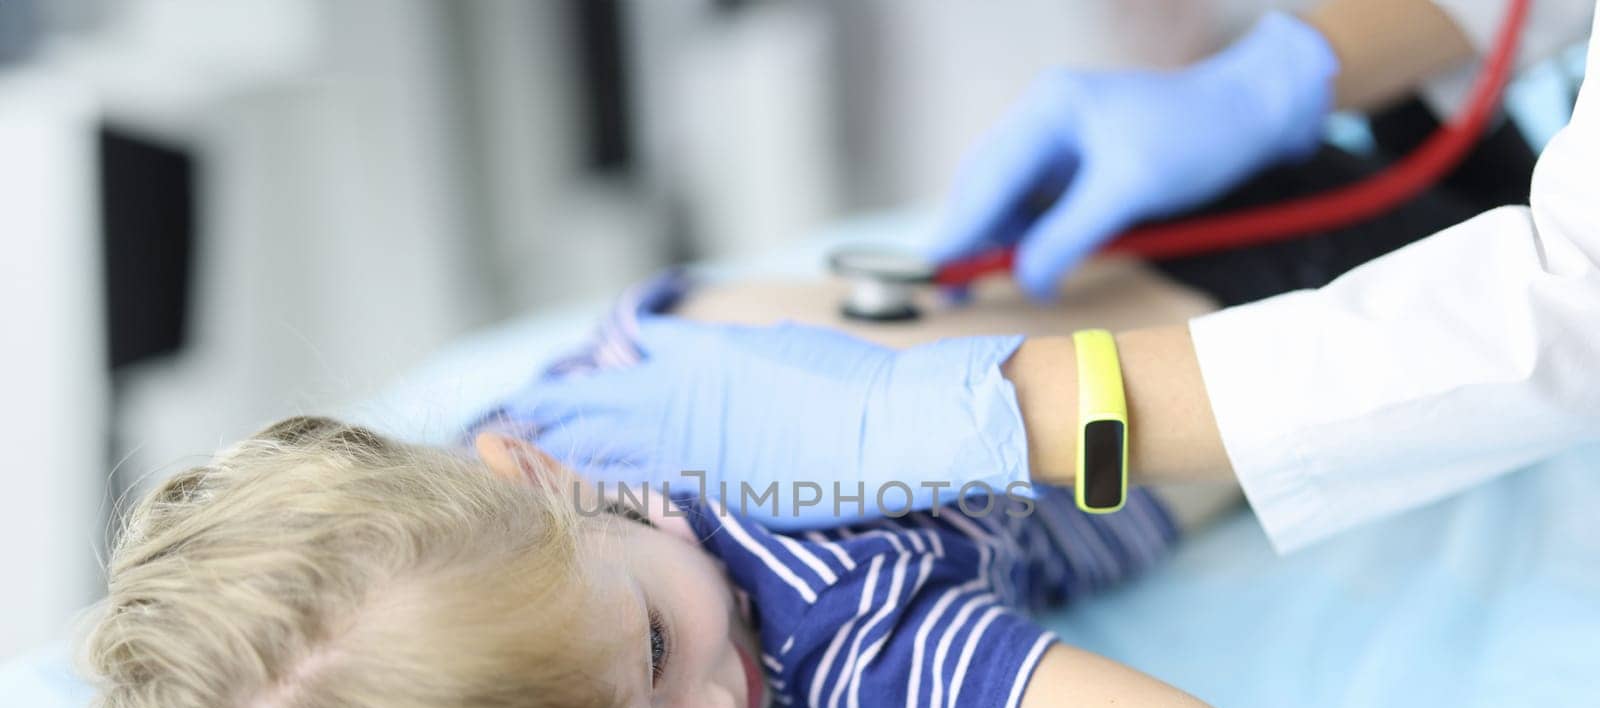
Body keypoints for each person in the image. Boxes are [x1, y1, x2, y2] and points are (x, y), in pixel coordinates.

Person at [40, 279, 1283, 708]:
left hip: (1245, 328)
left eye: (649, 652)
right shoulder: (555, 448)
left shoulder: (834, 616)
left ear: (520, 469)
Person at [518, 0, 1599, 555]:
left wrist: (993, 411)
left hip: (1337, 280)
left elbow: (1573, 300)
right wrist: (1274, 76)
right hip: (1304, 242)